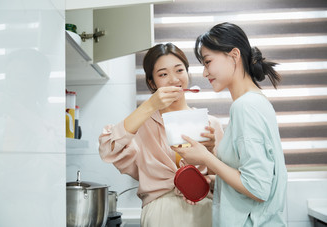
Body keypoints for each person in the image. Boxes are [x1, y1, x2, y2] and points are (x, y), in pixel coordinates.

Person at [172, 22, 288, 227]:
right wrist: (216, 179)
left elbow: (258, 189)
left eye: (207, 62)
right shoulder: (254, 102)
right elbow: (249, 177)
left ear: (234, 55)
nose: (205, 73)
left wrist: (206, 157)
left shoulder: (245, 107)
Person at [99, 43, 224, 227]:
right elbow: (107, 150)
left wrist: (211, 150)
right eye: (163, 74)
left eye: (179, 70)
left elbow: (224, 183)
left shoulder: (211, 124)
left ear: (187, 73)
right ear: (152, 82)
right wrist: (150, 105)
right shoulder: (140, 125)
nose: (174, 79)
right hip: (160, 215)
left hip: (204, 213)